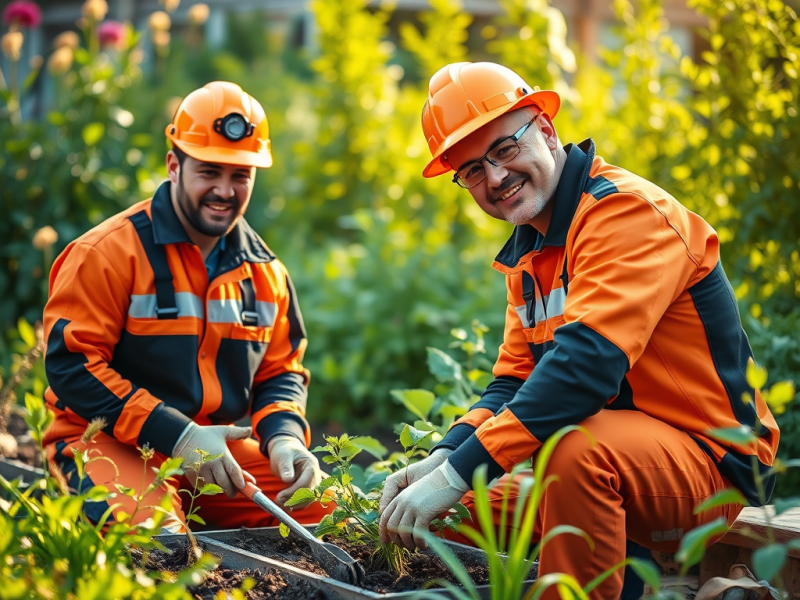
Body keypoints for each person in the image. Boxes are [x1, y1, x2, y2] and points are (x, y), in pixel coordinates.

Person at [379, 62, 780, 599]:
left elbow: (586, 367)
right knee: (452, 516)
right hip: (609, 451)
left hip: (708, 465)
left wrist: (455, 473)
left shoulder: (625, 214)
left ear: (545, 129)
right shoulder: (532, 252)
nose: (495, 178)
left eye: (504, 149)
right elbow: (514, 382)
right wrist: (445, 459)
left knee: (574, 450)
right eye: (473, 170)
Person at [42, 81, 329, 531]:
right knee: (156, 542)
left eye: (240, 175)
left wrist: (285, 440)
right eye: (209, 171)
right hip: (105, 442)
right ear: (174, 165)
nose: (224, 190)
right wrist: (179, 435)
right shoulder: (106, 254)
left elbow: (281, 372)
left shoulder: (266, 273)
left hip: (213, 453)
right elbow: (73, 368)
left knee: (331, 511)